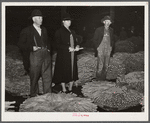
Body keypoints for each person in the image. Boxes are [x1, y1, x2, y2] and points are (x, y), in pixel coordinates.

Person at [17, 9, 52, 97]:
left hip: (46, 55)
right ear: (33, 19)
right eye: (39, 18)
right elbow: (20, 44)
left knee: (47, 75)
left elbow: (48, 41)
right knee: (34, 76)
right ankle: (34, 95)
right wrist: (31, 48)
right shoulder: (27, 30)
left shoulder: (44, 29)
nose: (41, 19)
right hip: (35, 55)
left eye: (41, 18)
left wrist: (49, 49)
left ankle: (48, 95)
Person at [52, 13, 80, 93]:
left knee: (72, 70)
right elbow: (56, 44)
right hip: (63, 55)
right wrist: (67, 47)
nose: (69, 22)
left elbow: (76, 41)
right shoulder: (59, 32)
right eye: (67, 20)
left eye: (70, 20)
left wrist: (77, 46)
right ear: (63, 22)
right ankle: (64, 88)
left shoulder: (73, 31)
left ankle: (70, 87)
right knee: (63, 71)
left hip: (72, 55)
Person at [93, 15, 114, 80]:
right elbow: (94, 39)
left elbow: (113, 40)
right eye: (106, 21)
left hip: (108, 49)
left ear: (110, 23)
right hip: (101, 49)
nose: (108, 23)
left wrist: (111, 47)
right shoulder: (99, 30)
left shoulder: (111, 30)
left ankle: (103, 79)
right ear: (104, 22)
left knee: (106, 65)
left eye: (109, 21)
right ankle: (98, 79)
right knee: (100, 65)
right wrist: (97, 47)